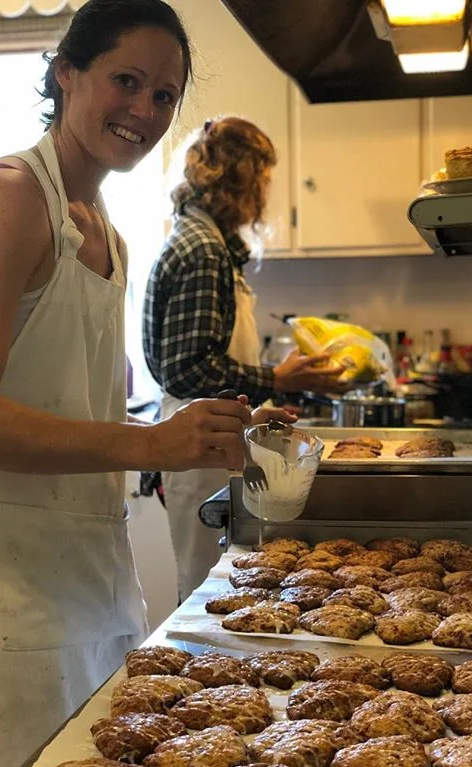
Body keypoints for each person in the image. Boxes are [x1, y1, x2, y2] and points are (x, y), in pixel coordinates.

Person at [0, 2, 259, 767]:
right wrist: (147, 446)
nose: (144, 110)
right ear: (64, 74)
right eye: (127, 81)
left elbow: (75, 409)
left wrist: (191, 431)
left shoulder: (106, 231)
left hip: (83, 583)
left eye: (164, 95)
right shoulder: (6, 196)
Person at [143, 116, 344, 601]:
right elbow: (187, 368)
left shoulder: (206, 243)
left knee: (226, 591)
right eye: (264, 178)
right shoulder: (203, 251)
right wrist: (276, 377)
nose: (265, 193)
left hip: (210, 439)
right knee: (206, 596)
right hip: (199, 451)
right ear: (242, 178)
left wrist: (255, 407)